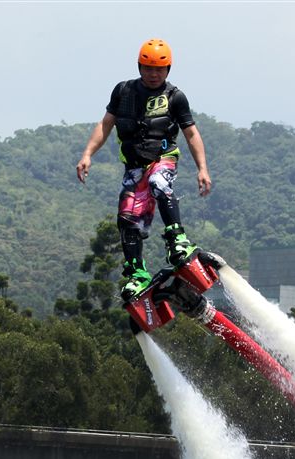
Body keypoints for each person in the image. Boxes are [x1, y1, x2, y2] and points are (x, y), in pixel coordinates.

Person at [76, 38, 212, 301]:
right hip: (134, 166)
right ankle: (137, 273)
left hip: (162, 157)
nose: (153, 74)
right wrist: (87, 154)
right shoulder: (123, 92)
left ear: (168, 70)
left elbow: (191, 134)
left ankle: (177, 239)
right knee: (126, 219)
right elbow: (105, 125)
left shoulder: (175, 97)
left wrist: (202, 169)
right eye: (148, 68)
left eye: (159, 69)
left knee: (159, 183)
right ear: (139, 67)